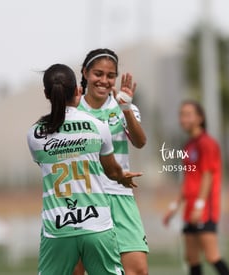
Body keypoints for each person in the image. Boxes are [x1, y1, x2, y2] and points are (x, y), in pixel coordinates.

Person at [27, 64, 142, 275]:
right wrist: (122, 178)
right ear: (77, 90)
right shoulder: (97, 127)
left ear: (47, 94)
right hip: (97, 224)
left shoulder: (35, 134)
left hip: (58, 227)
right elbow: (112, 171)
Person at [73, 49, 149, 275]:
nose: (104, 81)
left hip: (120, 195)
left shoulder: (124, 107)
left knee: (138, 270)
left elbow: (140, 141)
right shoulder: (72, 109)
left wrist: (125, 108)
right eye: (98, 74)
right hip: (84, 198)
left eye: (110, 75)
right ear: (85, 73)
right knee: (76, 271)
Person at [163, 100, 229, 275]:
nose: (183, 119)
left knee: (212, 256)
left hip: (204, 209)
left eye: (187, 114)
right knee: (191, 258)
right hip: (190, 209)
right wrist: (174, 206)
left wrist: (199, 206)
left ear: (200, 118)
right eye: (181, 115)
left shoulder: (207, 143)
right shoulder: (188, 145)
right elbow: (187, 180)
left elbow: (208, 176)